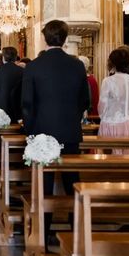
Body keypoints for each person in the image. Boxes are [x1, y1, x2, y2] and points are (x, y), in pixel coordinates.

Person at [21, 20, 89, 244]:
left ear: (44, 38)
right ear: (66, 38)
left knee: (44, 184)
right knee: (72, 182)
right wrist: (72, 118)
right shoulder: (77, 65)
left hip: (43, 132)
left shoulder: (34, 66)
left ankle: (44, 231)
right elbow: (84, 101)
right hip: (70, 131)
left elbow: (27, 104)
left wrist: (31, 133)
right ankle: (76, 232)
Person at [98, 48, 129, 154]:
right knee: (128, 159)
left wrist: (105, 117)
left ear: (113, 63)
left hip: (111, 124)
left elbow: (102, 108)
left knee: (110, 161)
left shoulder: (108, 81)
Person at [0, 46, 23, 121]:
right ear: (15, 57)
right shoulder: (22, 71)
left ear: (3, 58)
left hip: (0, 110)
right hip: (17, 110)